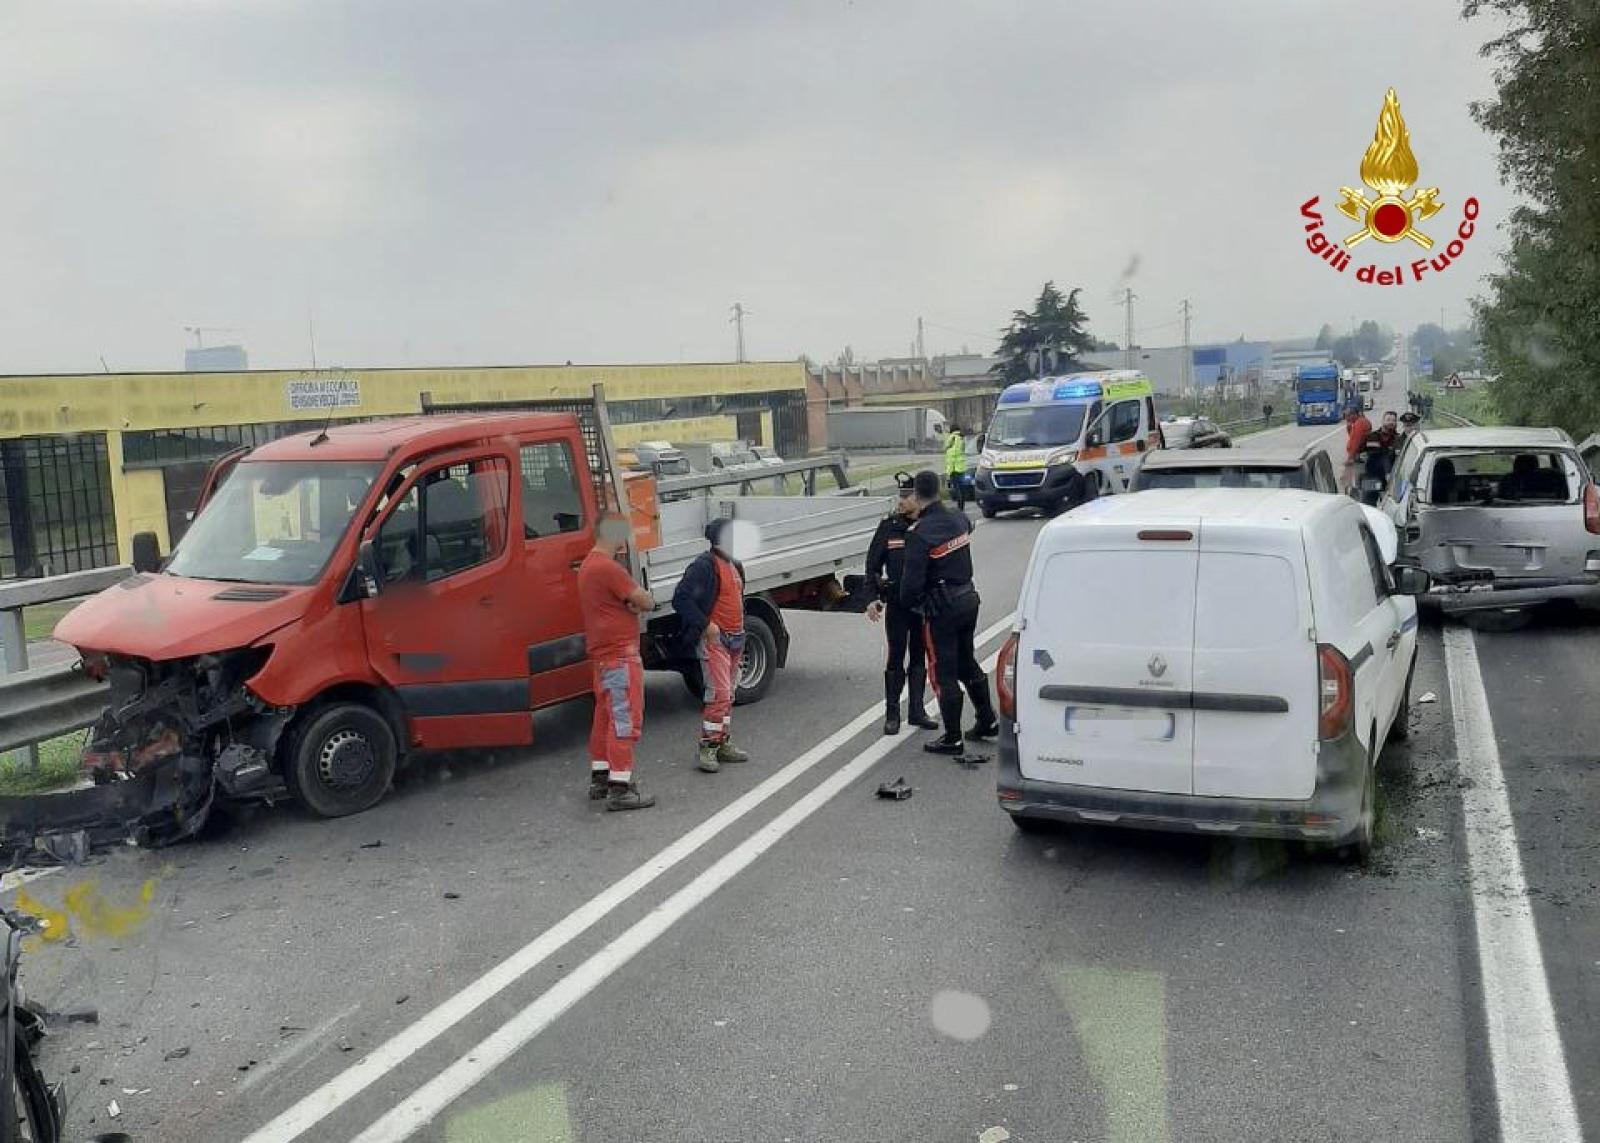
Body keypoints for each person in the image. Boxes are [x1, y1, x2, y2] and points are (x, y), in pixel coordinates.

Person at [900, 470, 998, 755]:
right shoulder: (958, 517)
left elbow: (910, 586)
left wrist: (913, 604)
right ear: (940, 490)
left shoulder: (919, 534)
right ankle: (987, 720)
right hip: (968, 599)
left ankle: (952, 738)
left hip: (942, 609)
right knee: (967, 661)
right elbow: (967, 527)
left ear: (916, 495)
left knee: (943, 671)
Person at [577, 514, 657, 811]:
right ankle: (620, 788)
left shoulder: (588, 566)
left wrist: (630, 602)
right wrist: (640, 601)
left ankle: (601, 778)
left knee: (605, 719)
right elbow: (645, 601)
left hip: (602, 659)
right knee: (625, 721)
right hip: (620, 657)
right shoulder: (608, 568)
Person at [672, 517, 752, 773]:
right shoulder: (704, 566)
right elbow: (681, 599)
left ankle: (721, 742)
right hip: (716, 641)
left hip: (735, 639)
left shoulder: (733, 564)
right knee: (719, 695)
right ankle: (708, 747)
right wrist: (706, 625)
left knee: (728, 695)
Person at [865, 473, 938, 736]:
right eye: (900, 496)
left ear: (918, 499)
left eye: (906, 496)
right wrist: (872, 597)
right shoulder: (889, 527)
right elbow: (872, 565)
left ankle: (917, 710)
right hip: (896, 602)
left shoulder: (927, 526)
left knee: (919, 655)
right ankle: (892, 714)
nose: (901, 501)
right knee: (896, 656)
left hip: (920, 603)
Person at [1342, 403, 1372, 493]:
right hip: (1360, 456)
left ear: (1354, 415)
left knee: (1352, 481)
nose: (1346, 418)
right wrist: (1349, 428)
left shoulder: (1360, 423)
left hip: (1358, 457)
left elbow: (1355, 441)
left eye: (1347, 416)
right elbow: (1353, 436)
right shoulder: (1360, 422)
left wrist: (1350, 458)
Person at [944, 424, 969, 510]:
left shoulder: (952, 437)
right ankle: (962, 507)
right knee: (962, 489)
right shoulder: (962, 438)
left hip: (954, 468)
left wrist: (949, 471)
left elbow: (946, 447)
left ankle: (959, 507)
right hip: (961, 467)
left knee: (957, 489)